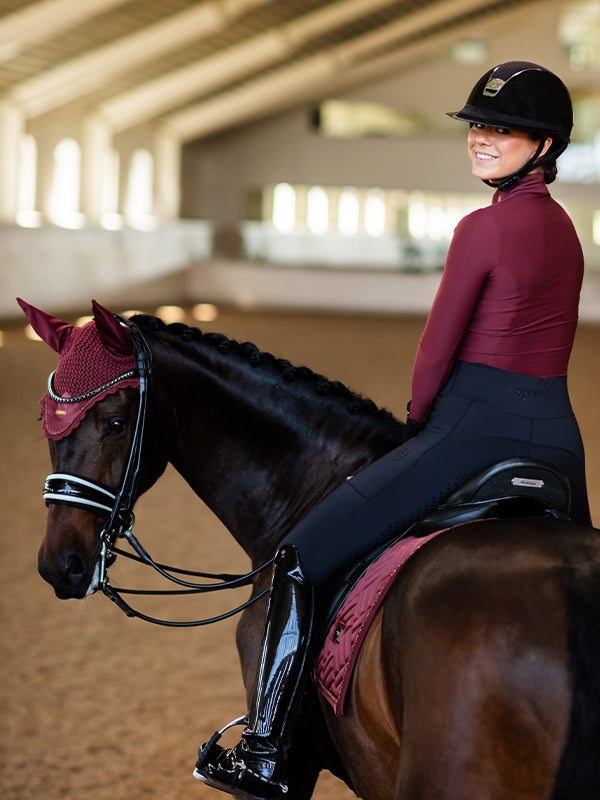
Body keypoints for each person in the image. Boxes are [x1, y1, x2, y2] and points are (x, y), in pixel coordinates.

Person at [194, 61, 592, 800]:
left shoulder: (481, 228)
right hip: (560, 446)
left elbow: (436, 349)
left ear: (543, 145)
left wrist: (417, 424)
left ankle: (267, 751)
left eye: (502, 129)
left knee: (296, 561)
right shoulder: (567, 230)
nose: (481, 138)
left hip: (469, 434)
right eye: (477, 124)